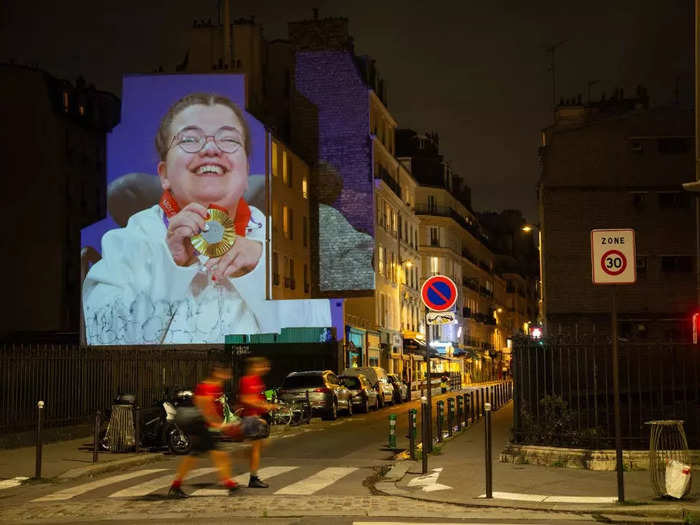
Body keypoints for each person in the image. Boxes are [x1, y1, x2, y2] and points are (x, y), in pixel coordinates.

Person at [82, 92, 331, 345]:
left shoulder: (286, 247)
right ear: (164, 174)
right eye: (189, 139)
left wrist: (265, 268)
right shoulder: (126, 244)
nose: (211, 149)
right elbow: (105, 344)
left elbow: (315, 342)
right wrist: (170, 267)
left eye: (229, 139)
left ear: (246, 173)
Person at [168, 361, 238, 498]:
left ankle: (176, 485)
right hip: (197, 423)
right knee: (218, 454)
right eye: (226, 372)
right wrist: (219, 425)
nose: (229, 375)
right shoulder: (205, 387)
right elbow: (205, 410)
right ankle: (230, 484)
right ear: (218, 372)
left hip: (203, 424)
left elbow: (217, 410)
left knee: (196, 456)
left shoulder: (217, 387)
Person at [238, 357, 277, 488]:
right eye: (262, 366)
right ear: (253, 366)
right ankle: (253, 478)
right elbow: (246, 399)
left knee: (261, 446)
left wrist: (266, 405)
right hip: (251, 418)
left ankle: (242, 457)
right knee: (256, 449)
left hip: (257, 416)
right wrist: (262, 406)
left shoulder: (258, 380)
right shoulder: (246, 380)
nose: (265, 368)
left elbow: (260, 396)